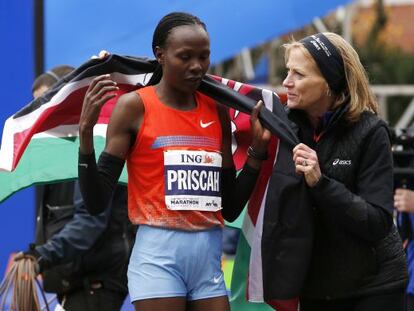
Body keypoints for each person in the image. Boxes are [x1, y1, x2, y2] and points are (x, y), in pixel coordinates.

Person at [77, 12, 270, 311]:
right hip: (158, 260)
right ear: (161, 55)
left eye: (204, 56)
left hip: (208, 261)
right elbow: (96, 201)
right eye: (185, 57)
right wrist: (86, 134)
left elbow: (230, 207)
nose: (197, 66)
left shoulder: (216, 110)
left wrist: (257, 153)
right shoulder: (135, 107)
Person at [279, 32, 407, 310]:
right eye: (287, 71)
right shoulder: (283, 126)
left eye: (298, 74)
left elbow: (377, 222)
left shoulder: (371, 132)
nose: (286, 82)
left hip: (374, 288)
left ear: (330, 83)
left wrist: (320, 183)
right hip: (315, 288)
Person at [17, 65, 135, 311]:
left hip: (94, 287)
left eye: (47, 101)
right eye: (36, 104)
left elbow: (90, 222)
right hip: (76, 287)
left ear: (72, 100)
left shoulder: (89, 149)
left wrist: (41, 257)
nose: (40, 112)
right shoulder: (63, 154)